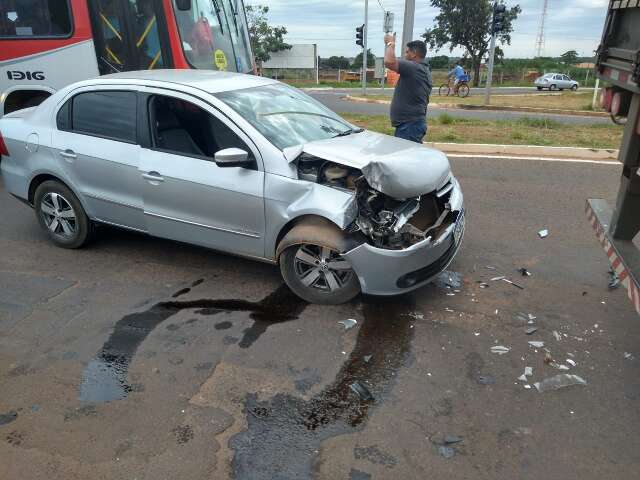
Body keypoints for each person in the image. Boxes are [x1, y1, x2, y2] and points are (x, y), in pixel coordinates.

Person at [384, 35, 432, 144]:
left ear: (414, 53)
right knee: (409, 158)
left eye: (407, 52)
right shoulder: (423, 69)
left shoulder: (414, 67)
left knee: (404, 158)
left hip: (409, 126)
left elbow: (389, 62)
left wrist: (390, 44)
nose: (405, 55)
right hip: (411, 125)